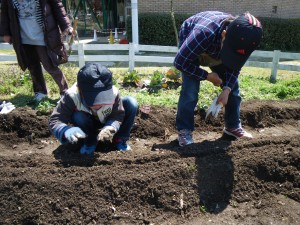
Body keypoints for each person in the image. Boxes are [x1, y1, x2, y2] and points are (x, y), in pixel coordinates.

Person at [174, 11, 263, 146]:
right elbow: (180, 62)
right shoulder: (202, 33)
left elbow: (235, 67)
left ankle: (232, 127)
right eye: (229, 52)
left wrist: (226, 90)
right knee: (190, 90)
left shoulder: (246, 40)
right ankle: (184, 130)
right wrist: (207, 76)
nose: (231, 57)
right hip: (193, 41)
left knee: (233, 89)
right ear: (224, 35)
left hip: (215, 45)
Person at [49, 63, 138, 154]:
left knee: (131, 103)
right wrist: (66, 130)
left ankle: (119, 139)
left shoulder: (114, 92)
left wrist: (111, 126)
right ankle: (90, 141)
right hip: (86, 124)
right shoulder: (71, 96)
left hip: (106, 118)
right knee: (78, 116)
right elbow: (55, 120)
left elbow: (117, 114)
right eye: (93, 98)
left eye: (103, 97)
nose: (99, 104)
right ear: (79, 89)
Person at [0, 0, 73, 102]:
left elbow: (57, 6)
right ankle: (40, 92)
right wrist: (6, 32)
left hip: (43, 35)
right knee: (32, 66)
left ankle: (64, 91)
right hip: (23, 35)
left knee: (50, 66)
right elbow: (5, 11)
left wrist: (66, 26)